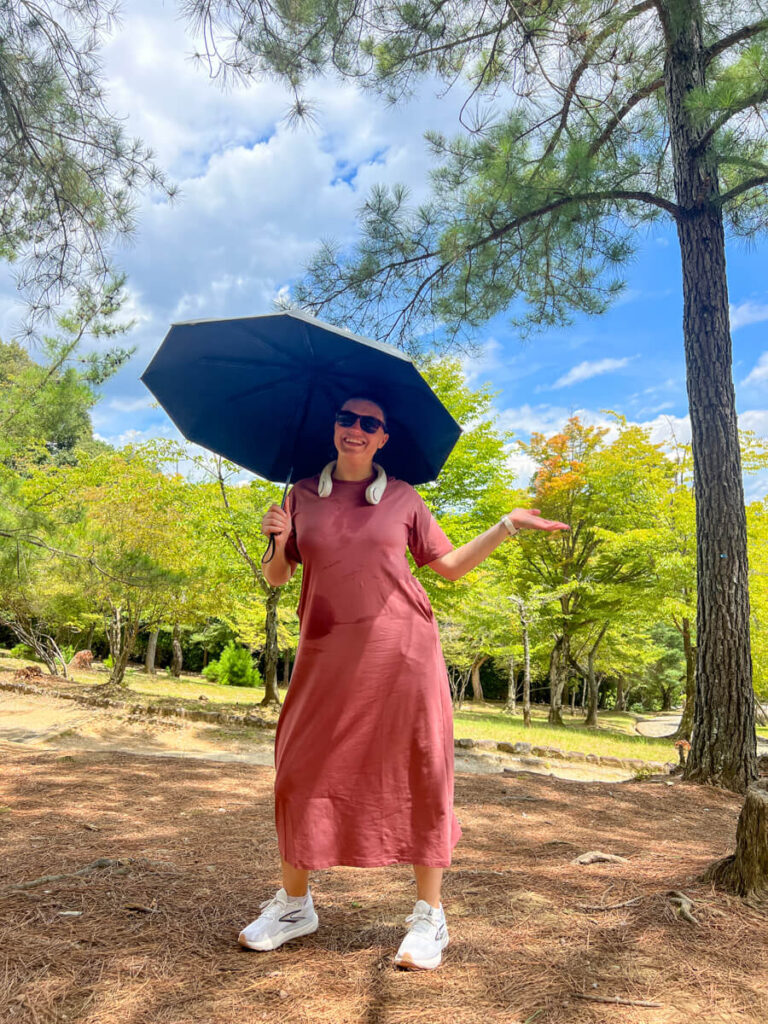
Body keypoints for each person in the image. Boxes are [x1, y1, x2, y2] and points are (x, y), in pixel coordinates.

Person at [238, 396, 569, 970]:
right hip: (324, 654)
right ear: (333, 427)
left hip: (404, 654)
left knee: (421, 772)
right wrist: (274, 538)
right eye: (347, 419)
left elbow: (447, 567)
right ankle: (295, 906)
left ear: (385, 437)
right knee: (297, 771)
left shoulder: (404, 498)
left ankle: (429, 918)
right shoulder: (298, 496)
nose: (357, 430)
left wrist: (505, 526)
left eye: (371, 424)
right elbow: (277, 577)